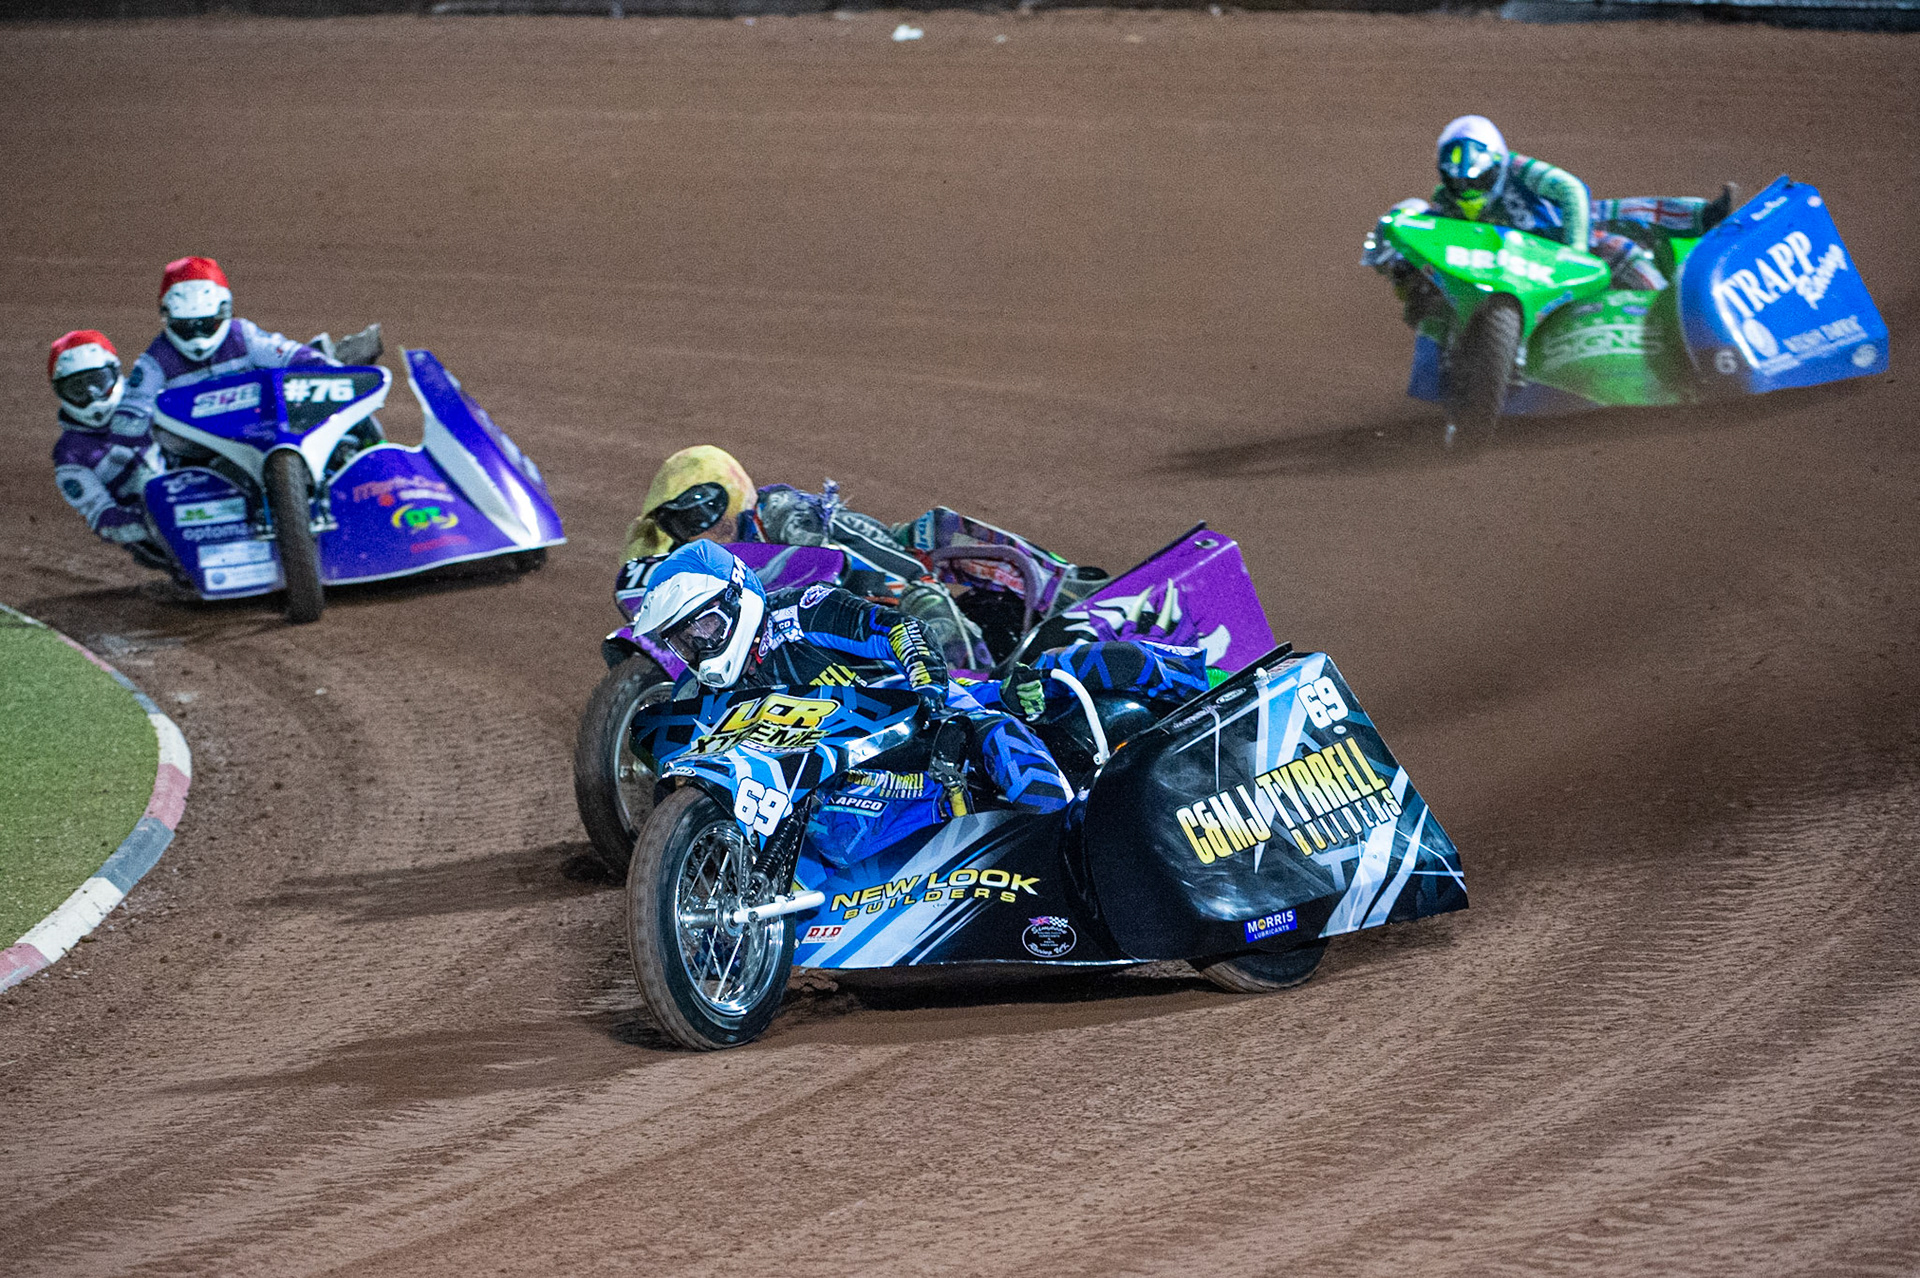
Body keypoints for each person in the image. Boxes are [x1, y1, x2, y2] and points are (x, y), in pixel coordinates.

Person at [631, 541, 1079, 814]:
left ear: (737, 597)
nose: (698, 648)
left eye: (704, 627)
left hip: (915, 722)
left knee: (992, 734)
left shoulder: (802, 610)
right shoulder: (698, 692)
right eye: (683, 640)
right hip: (835, 785)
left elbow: (902, 629)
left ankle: (1061, 830)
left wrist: (930, 695)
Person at [1426, 115, 1734, 292]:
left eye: (1478, 180)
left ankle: (1702, 218)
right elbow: (1426, 238)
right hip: (1511, 276)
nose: (1467, 191)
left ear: (1498, 163)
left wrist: (1573, 257)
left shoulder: (1519, 168)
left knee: (1620, 235)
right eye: (1458, 183)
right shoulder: (1442, 205)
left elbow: (1571, 190)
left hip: (1562, 243)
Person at [116, 256, 352, 448]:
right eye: (186, 325)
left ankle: (365, 445)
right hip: (201, 448)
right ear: (167, 316)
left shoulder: (243, 336)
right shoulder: (155, 360)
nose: (198, 335)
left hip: (264, 428)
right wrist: (140, 424)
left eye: (206, 323)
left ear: (224, 310)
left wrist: (328, 368)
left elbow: (291, 354)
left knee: (331, 366)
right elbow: (129, 413)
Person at [46, 330, 170, 569]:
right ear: (61, 393)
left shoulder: (152, 401)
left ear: (115, 373)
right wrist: (146, 524)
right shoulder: (70, 455)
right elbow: (102, 515)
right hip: (156, 528)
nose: (92, 396)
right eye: (77, 389)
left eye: (98, 382)